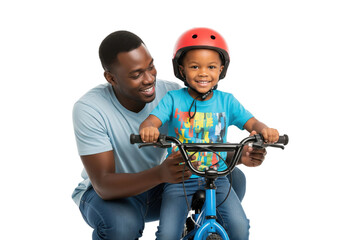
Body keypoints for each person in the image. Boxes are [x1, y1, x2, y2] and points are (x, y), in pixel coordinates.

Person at [72, 30, 267, 240]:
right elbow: (104, 185)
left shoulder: (174, 94)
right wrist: (160, 174)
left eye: (151, 67)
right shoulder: (90, 108)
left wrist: (241, 156)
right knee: (122, 226)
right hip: (114, 194)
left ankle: (197, 230)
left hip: (163, 183)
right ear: (111, 78)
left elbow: (201, 143)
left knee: (233, 178)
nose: (149, 79)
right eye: (137, 74)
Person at [139, 27, 279, 240]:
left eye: (211, 67)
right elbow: (151, 121)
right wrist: (148, 129)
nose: (203, 73)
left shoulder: (227, 101)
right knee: (167, 234)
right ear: (182, 69)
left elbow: (252, 123)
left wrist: (264, 131)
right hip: (180, 178)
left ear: (221, 70)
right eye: (194, 66)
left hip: (218, 177)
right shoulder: (173, 99)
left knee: (240, 228)